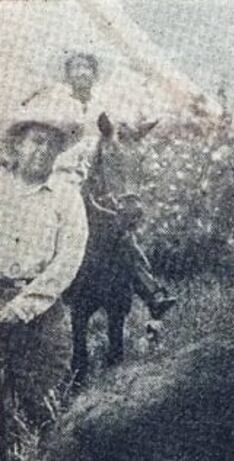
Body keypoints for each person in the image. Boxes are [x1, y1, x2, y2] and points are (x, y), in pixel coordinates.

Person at [23, 51, 176, 319]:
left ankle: (150, 289)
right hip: (64, 173)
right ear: (69, 75)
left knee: (119, 228)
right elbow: (53, 140)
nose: (83, 74)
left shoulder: (103, 106)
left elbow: (115, 137)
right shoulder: (58, 106)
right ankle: (35, 286)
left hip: (98, 177)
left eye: (87, 69)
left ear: (94, 75)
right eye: (77, 69)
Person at [0, 117, 88, 461]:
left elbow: (68, 259)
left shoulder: (67, 199)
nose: (43, 150)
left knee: (39, 398)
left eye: (52, 144)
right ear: (18, 145)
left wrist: (23, 306)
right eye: (36, 141)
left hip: (42, 311)